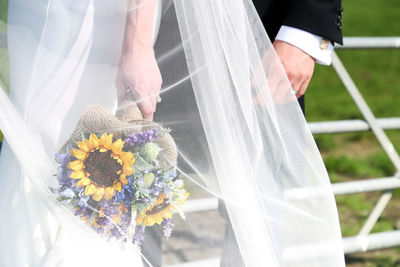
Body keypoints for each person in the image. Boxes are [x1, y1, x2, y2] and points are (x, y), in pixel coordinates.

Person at [0, 0, 345, 266]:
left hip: (247, 28)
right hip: (127, 28)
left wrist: (304, 30)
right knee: (126, 184)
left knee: (254, 190)